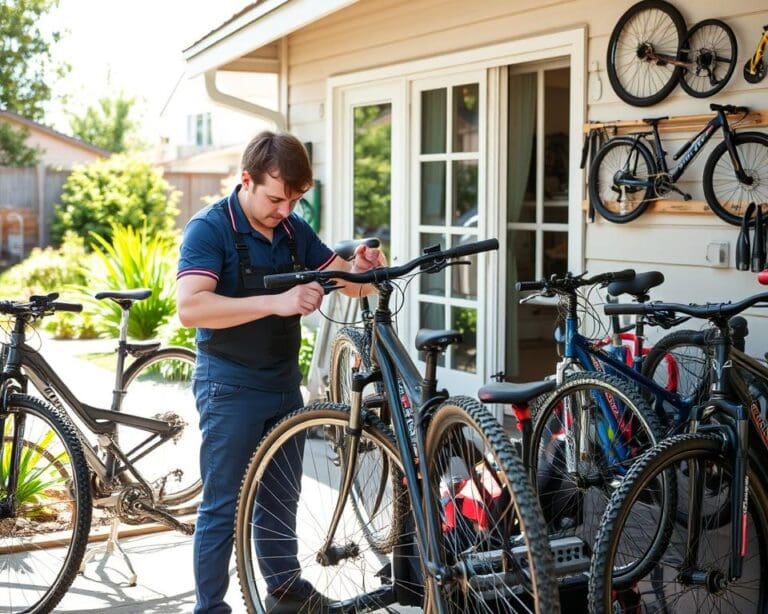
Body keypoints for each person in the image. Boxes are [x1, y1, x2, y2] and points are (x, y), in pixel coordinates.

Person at [176, 130, 384, 614]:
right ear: (245, 180)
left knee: (282, 496)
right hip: (228, 383)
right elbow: (191, 307)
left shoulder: (292, 230)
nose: (284, 210)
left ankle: (285, 592)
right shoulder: (210, 229)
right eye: (275, 198)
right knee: (223, 507)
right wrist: (280, 302)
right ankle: (210, 608)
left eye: (293, 200)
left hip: (281, 383)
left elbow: (347, 283)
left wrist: (366, 267)